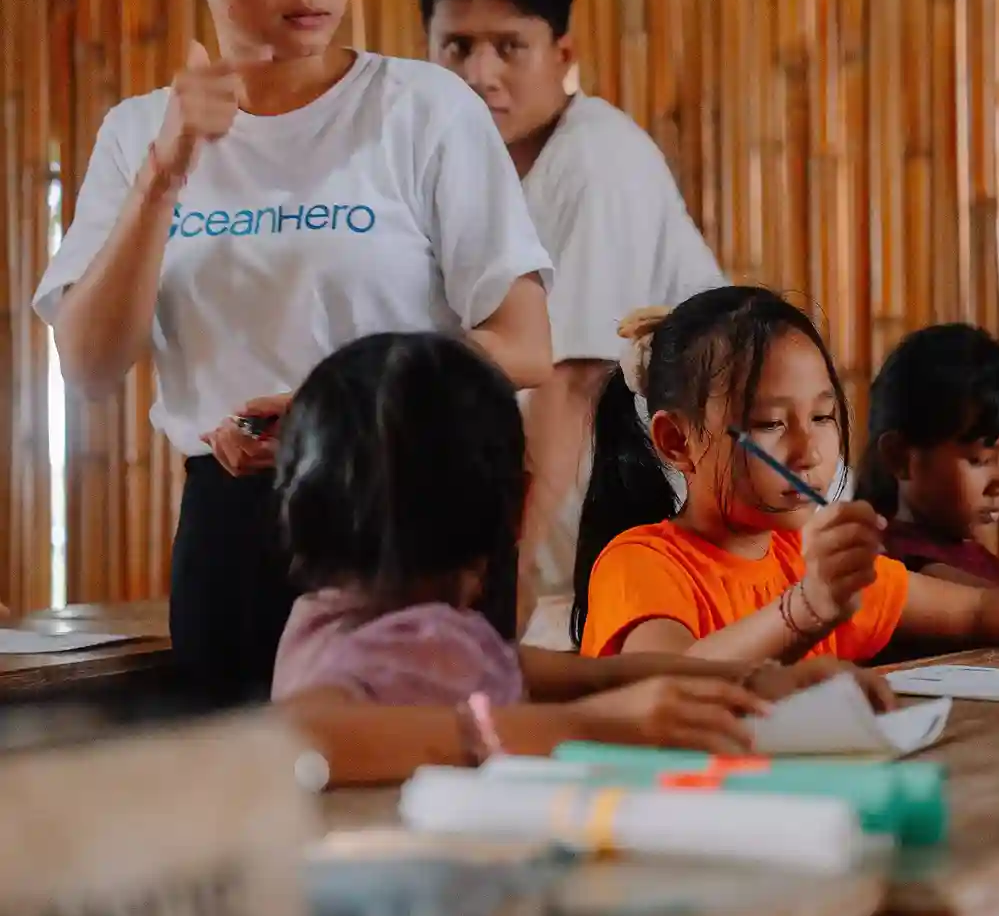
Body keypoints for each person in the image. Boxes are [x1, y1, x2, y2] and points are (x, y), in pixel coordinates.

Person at [31, 0, 556, 708]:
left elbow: (525, 345)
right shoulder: (138, 132)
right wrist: (162, 175)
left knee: (432, 758)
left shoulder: (423, 107)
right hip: (234, 526)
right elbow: (89, 365)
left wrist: (331, 409)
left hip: (414, 513)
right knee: (245, 772)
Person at [271, 331, 894, 786]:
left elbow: (587, 677)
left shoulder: (403, 631)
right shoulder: (392, 644)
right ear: (519, 508)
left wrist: (756, 684)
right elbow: (294, 737)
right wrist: (586, 727)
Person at [417, 0, 729, 649]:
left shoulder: (595, 158)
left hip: (685, 506)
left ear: (563, 54)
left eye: (509, 47)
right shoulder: (456, 170)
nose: (479, 74)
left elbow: (575, 381)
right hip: (578, 511)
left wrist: (514, 569)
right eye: (457, 47)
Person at [571, 287, 999, 661]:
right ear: (677, 441)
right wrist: (805, 608)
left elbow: (976, 612)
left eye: (822, 417)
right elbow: (668, 679)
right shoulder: (641, 563)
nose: (808, 452)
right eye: (770, 424)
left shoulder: (802, 557)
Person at [856, 323, 999, 586]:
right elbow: (988, 604)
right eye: (980, 460)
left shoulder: (975, 557)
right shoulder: (900, 565)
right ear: (899, 457)